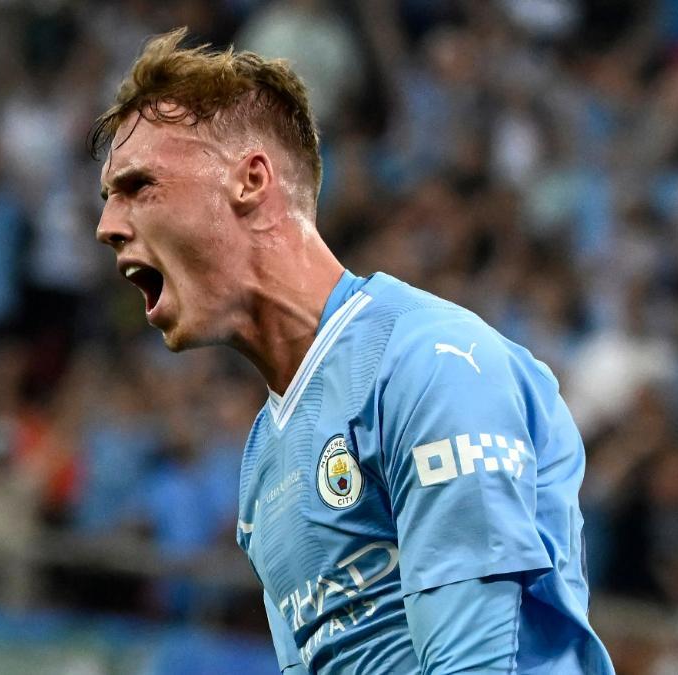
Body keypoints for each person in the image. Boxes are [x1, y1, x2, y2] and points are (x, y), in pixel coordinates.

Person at [90, 28, 615, 675]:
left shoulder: (429, 364)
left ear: (251, 180)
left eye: (138, 186)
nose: (107, 225)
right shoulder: (263, 460)